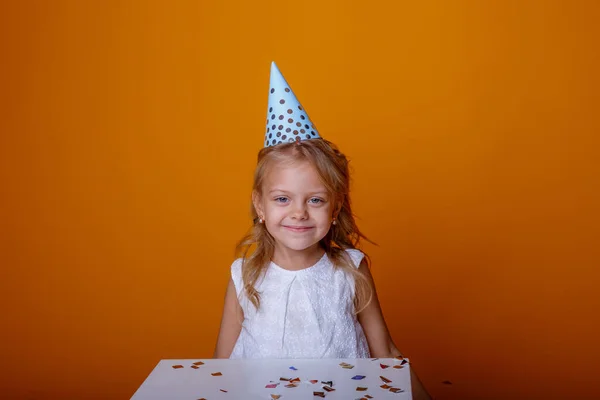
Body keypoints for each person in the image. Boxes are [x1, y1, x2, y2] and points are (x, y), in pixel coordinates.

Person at [214, 62, 431, 400]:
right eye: (282, 198)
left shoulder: (350, 269)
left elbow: (385, 351)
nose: (298, 212)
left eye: (315, 199)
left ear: (335, 208)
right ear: (260, 205)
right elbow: (222, 366)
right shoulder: (244, 275)